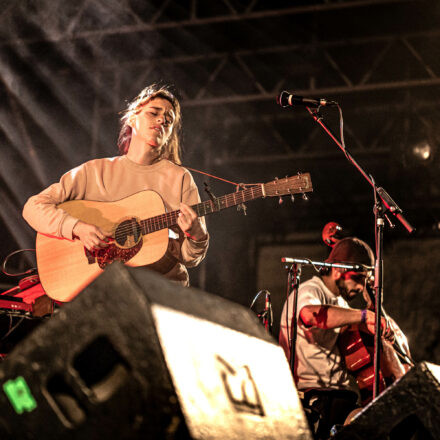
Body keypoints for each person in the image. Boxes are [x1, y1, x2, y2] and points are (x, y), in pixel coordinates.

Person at [22, 83, 209, 287]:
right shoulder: (94, 171)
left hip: (163, 291)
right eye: (153, 112)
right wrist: (76, 227)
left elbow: (190, 258)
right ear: (132, 118)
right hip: (103, 292)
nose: (162, 119)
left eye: (169, 119)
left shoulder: (180, 177)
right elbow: (33, 207)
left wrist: (197, 235)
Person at [279, 237, 393, 439]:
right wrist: (365, 315)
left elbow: (352, 330)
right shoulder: (310, 291)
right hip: (316, 397)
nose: (361, 287)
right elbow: (308, 314)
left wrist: (375, 315)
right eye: (359, 278)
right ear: (338, 269)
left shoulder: (340, 301)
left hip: (340, 397)